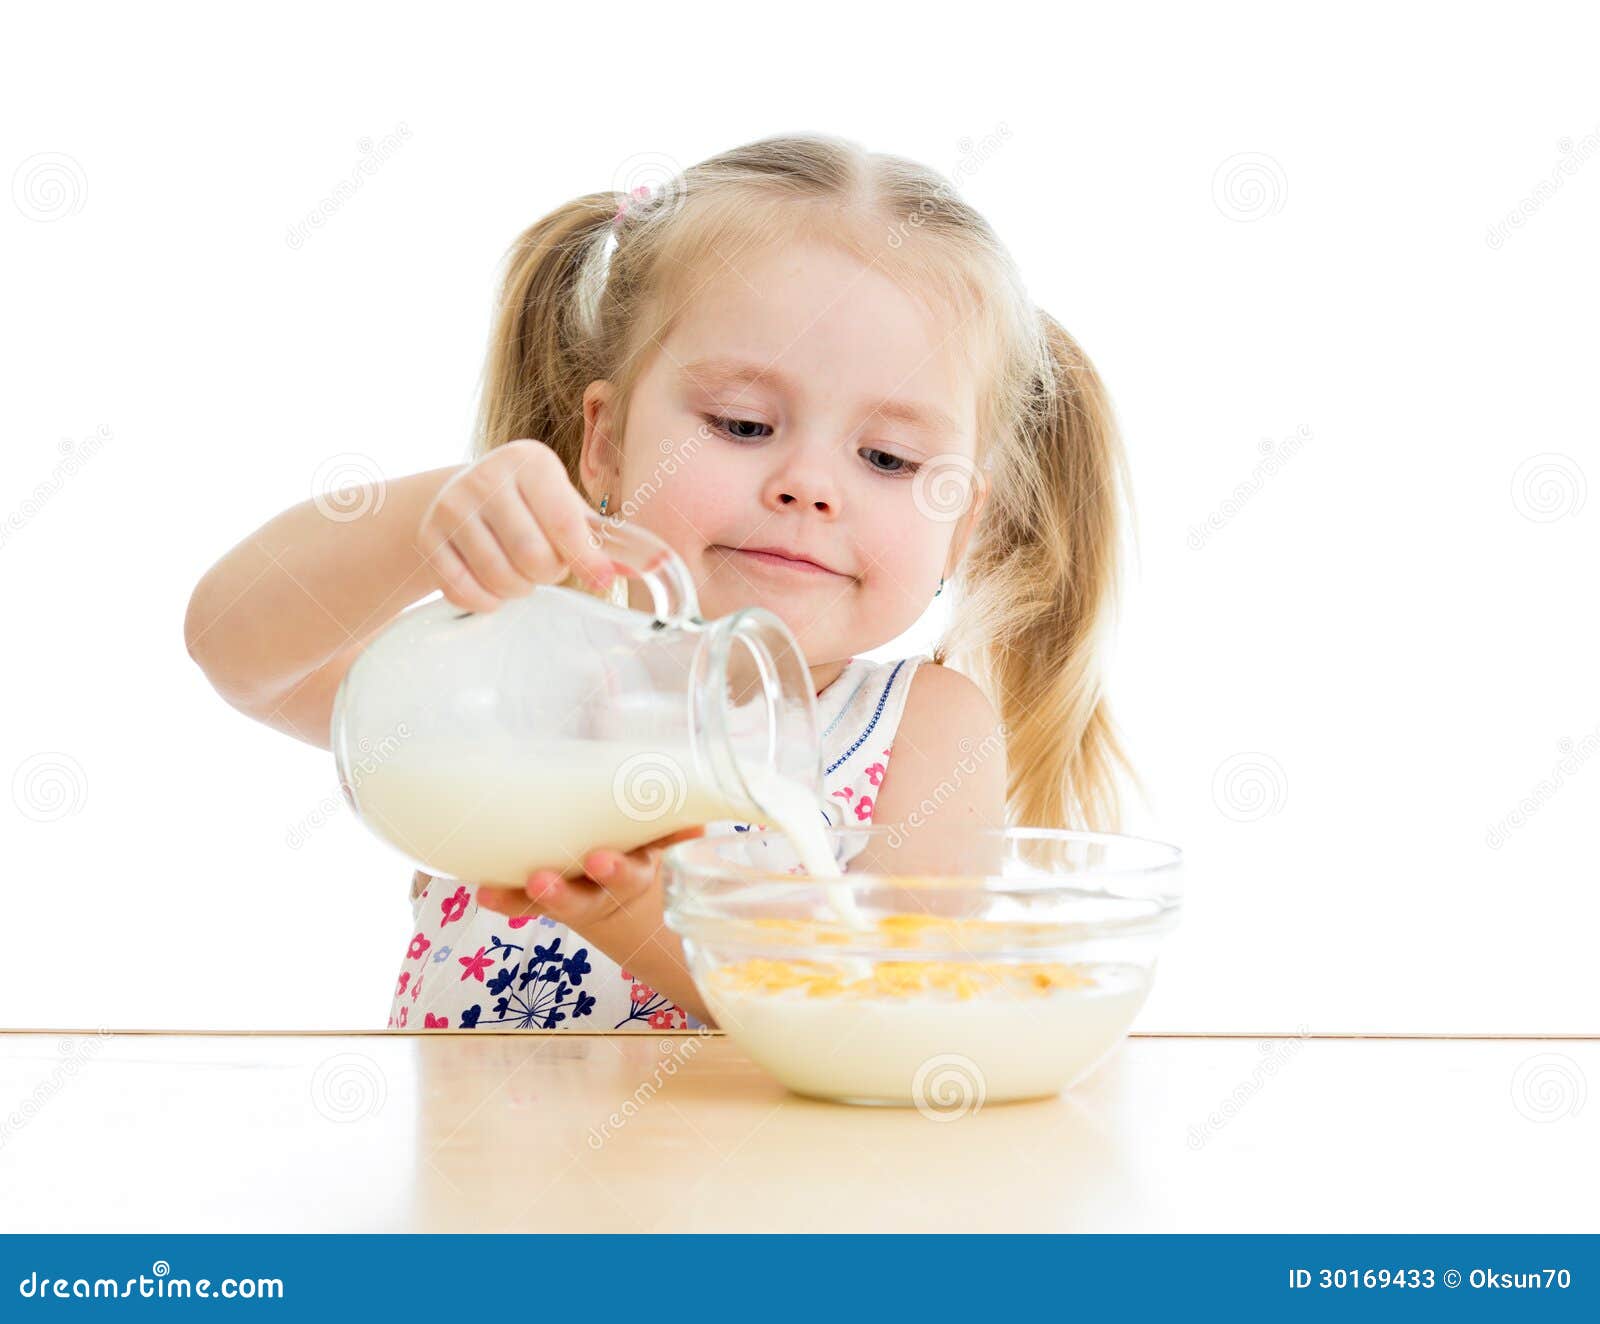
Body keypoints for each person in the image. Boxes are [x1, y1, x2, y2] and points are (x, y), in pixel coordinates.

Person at [183, 131, 1139, 1031]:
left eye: (887, 458)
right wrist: (430, 516)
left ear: (961, 523)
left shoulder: (923, 732)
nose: (807, 486)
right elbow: (237, 651)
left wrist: (645, 913)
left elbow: (889, 1015)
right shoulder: (519, 665)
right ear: (602, 443)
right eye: (742, 424)